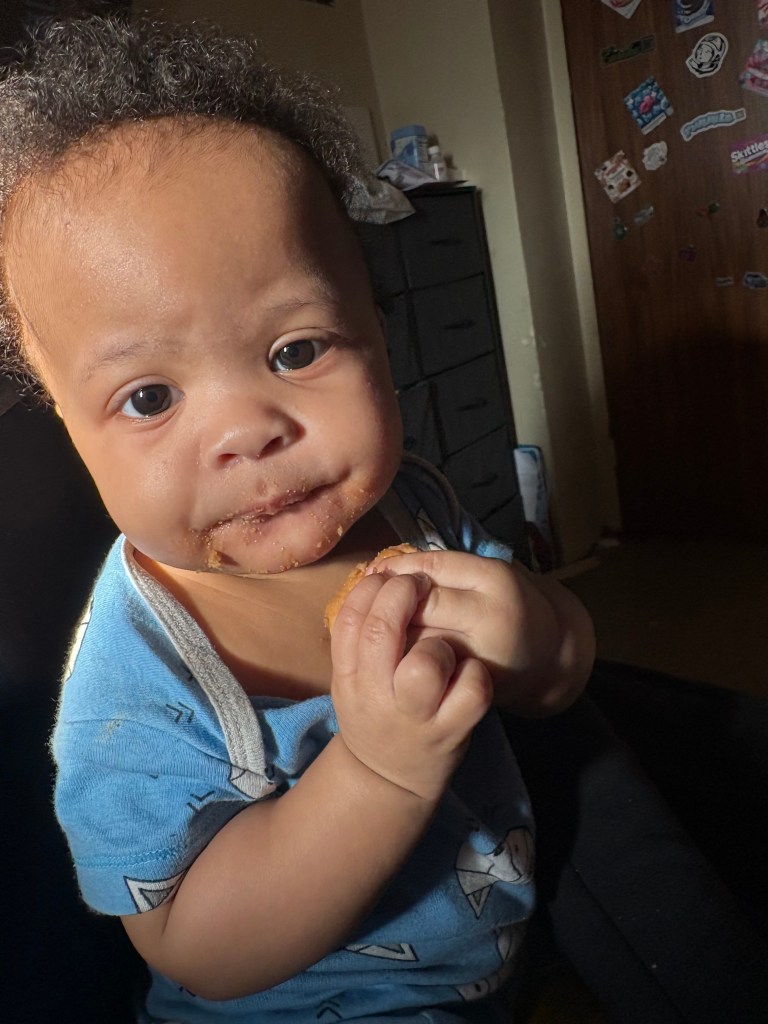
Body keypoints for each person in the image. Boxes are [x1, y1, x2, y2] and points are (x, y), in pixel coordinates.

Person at [0, 16, 596, 1023]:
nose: (249, 431)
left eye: (297, 350)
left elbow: (559, 676)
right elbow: (196, 946)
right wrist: (378, 772)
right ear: (68, 422)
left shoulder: (416, 505)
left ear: (376, 324)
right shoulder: (135, 685)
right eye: (149, 398)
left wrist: (536, 629)